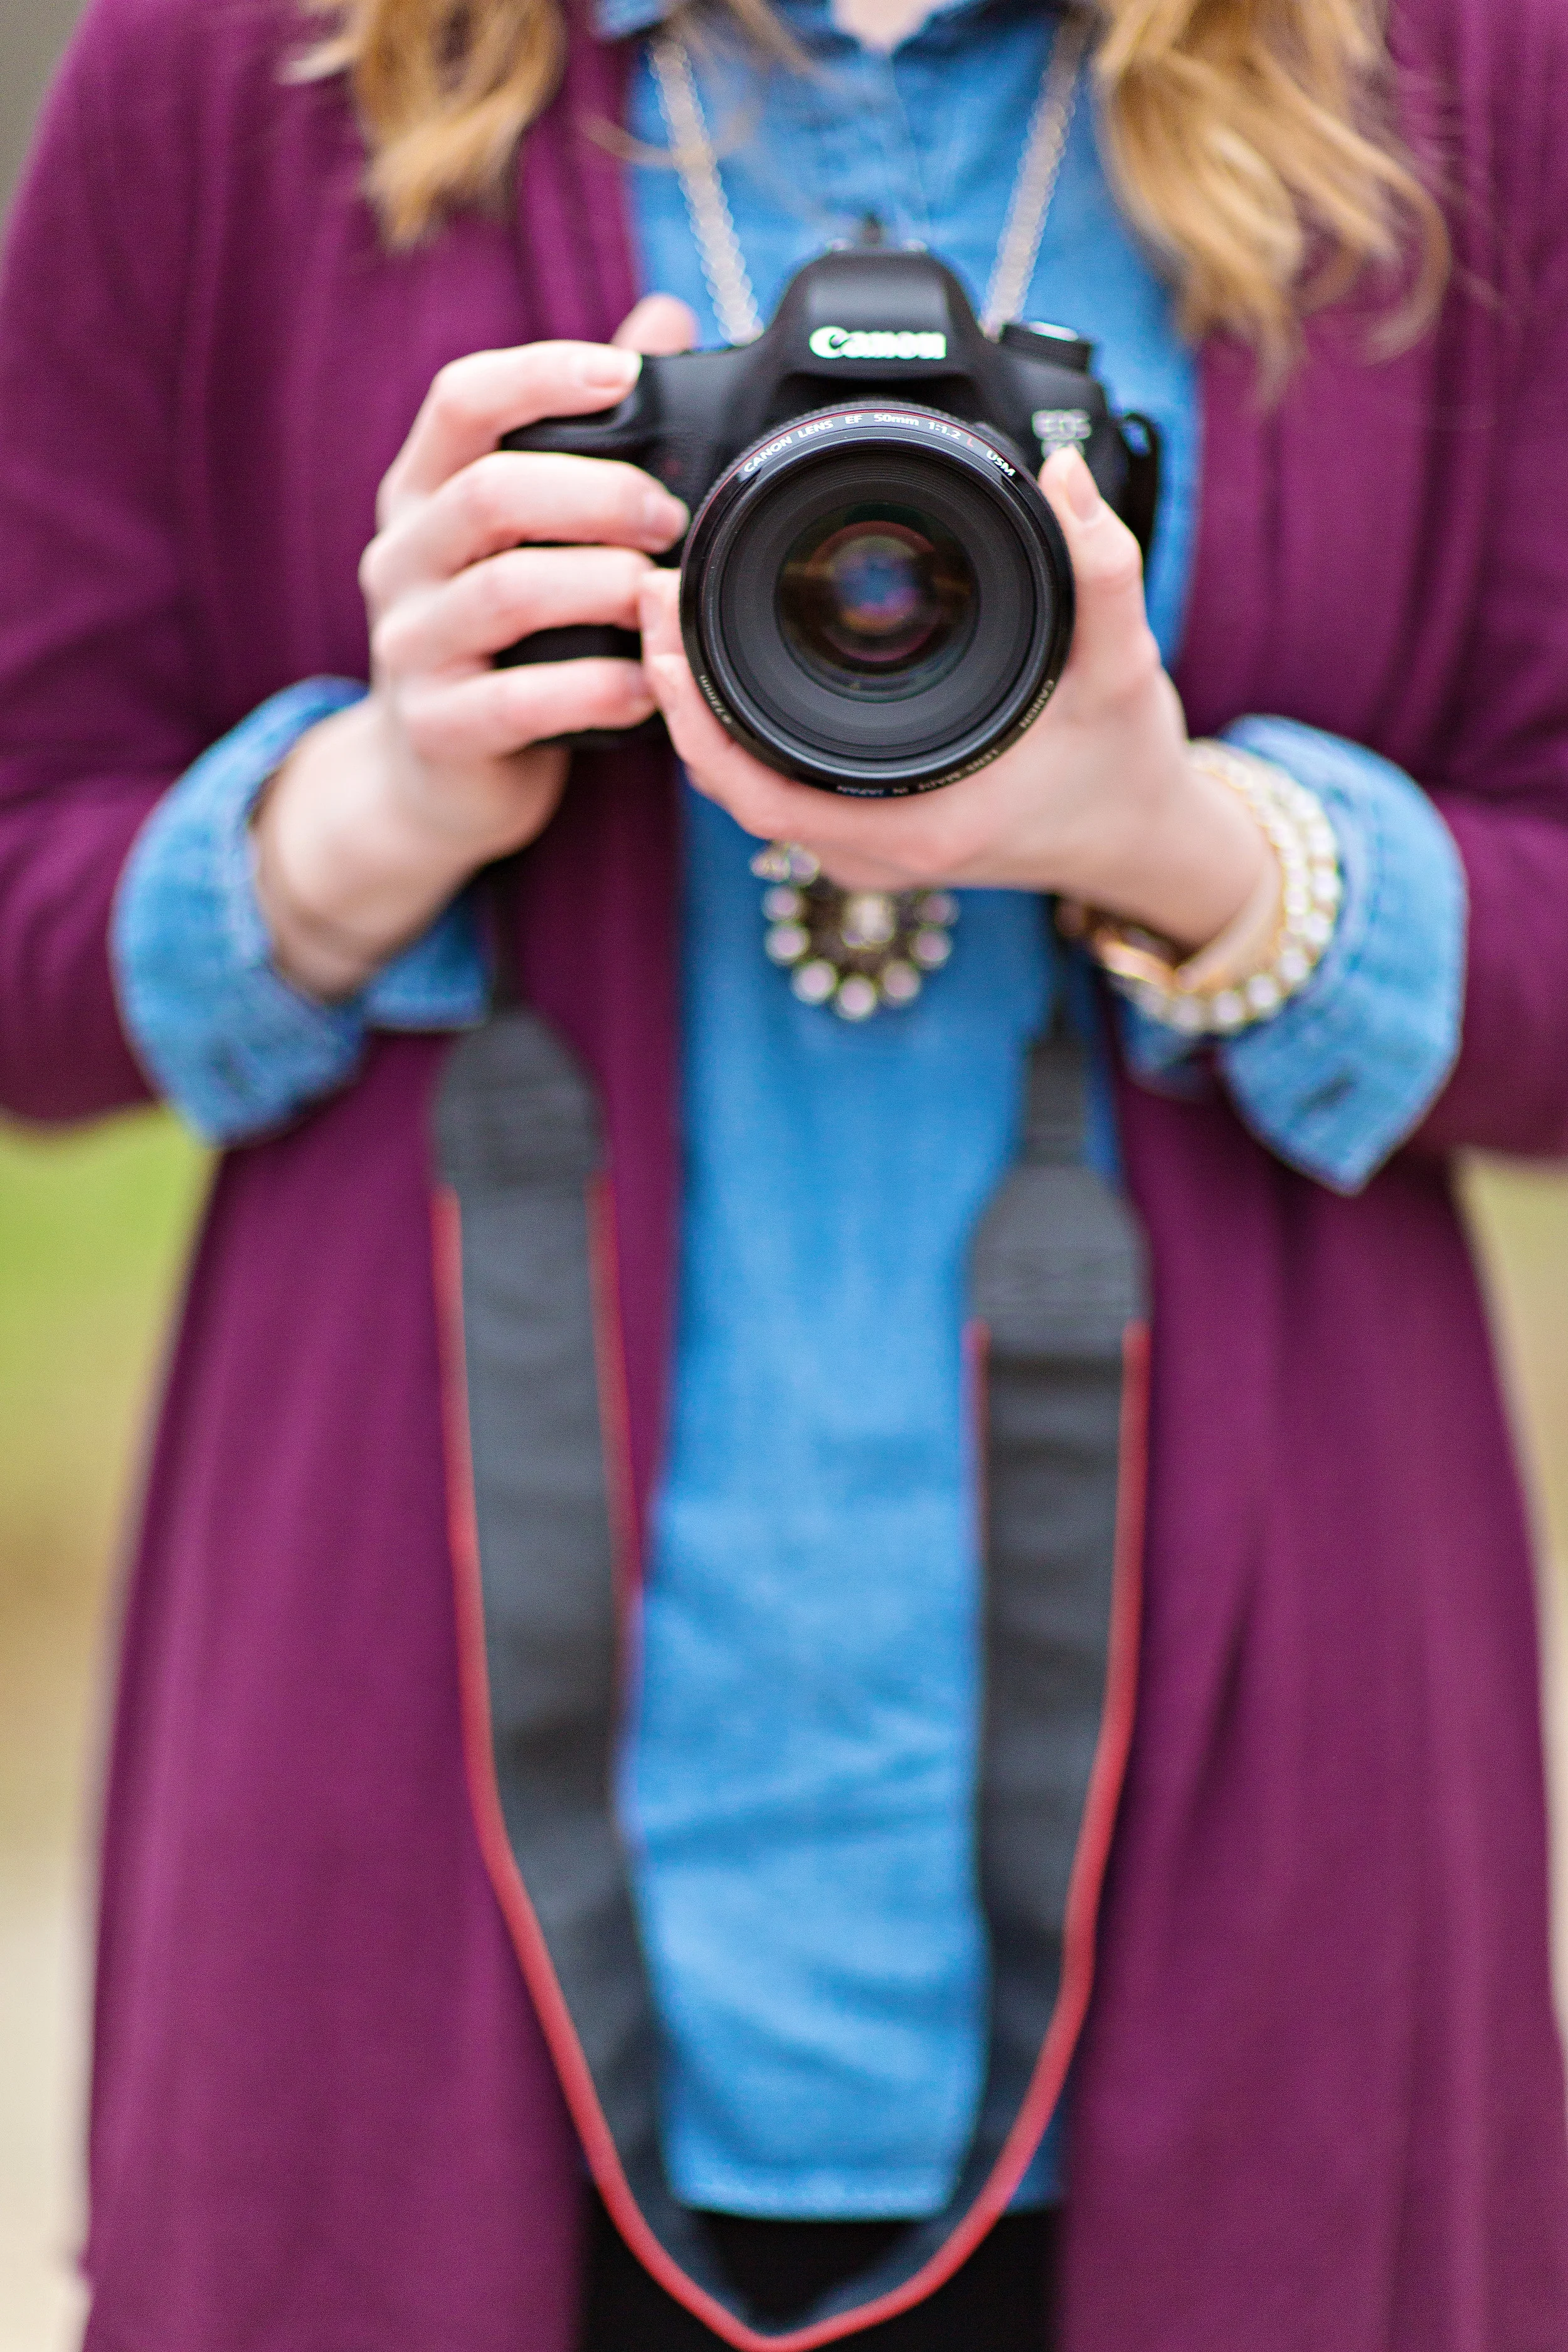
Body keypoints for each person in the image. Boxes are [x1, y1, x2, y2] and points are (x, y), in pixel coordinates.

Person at [3, 0, 1567, 2343]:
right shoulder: (245, 54)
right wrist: (378, 802)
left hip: (1275, 1848)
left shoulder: (1479, 68)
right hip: (393, 1828)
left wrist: (1200, 848)